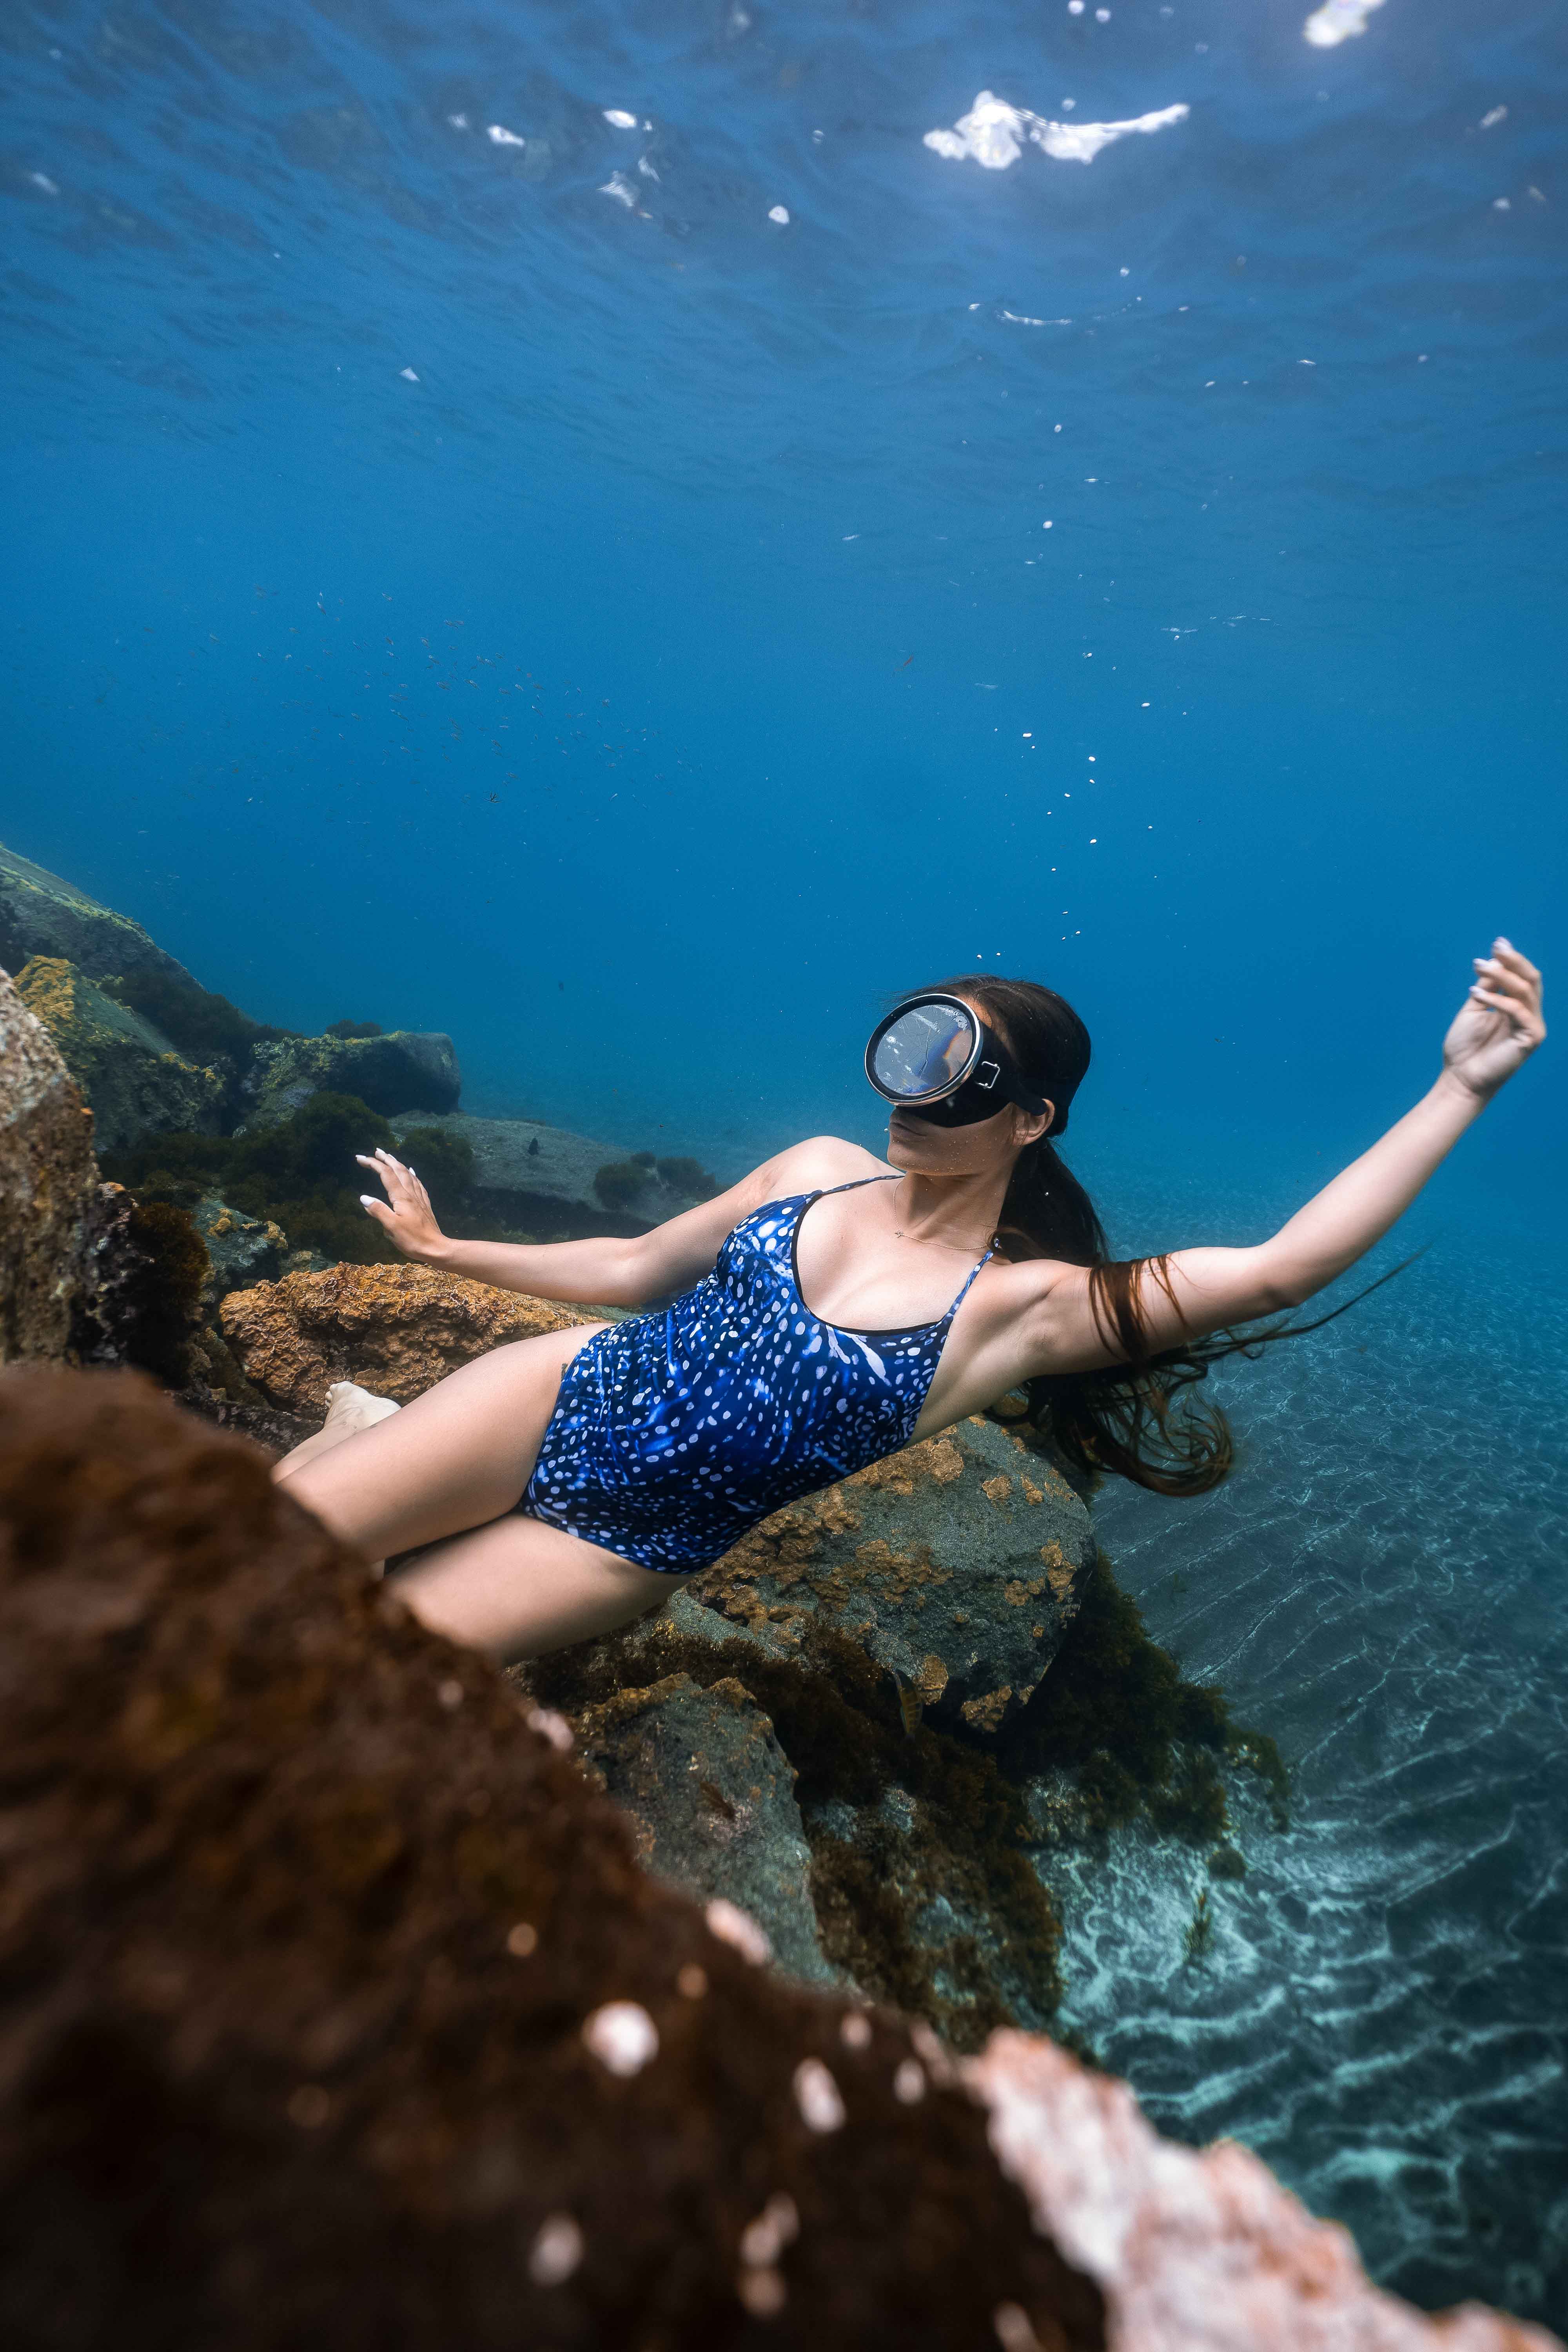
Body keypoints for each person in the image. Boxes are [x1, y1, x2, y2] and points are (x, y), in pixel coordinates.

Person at [274, 942, 1545, 1664]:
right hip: (550, 1392)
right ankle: (367, 1454)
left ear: (1030, 1119)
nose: (910, 1089)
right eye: (914, 1051)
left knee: (348, 1672)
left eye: (956, 1074)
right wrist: (451, 1253)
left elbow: (1279, 1267)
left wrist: (1460, 1089)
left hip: (623, 1544)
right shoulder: (817, 1168)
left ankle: (364, 1455)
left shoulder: (1023, 1314)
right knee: (244, 1572)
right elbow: (632, 1269)